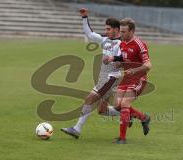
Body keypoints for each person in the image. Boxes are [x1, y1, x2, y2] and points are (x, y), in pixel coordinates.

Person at [61, 8, 121, 139]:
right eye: (105, 29)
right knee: (102, 110)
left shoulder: (121, 44)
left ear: (116, 29)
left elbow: (123, 61)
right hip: (103, 78)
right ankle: (126, 114)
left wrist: (115, 61)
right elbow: (89, 34)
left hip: (111, 78)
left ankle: (76, 129)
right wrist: (84, 17)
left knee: (89, 99)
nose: (106, 32)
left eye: (108, 29)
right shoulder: (104, 40)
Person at [104, 18, 152, 144]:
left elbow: (148, 65)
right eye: (121, 31)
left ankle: (122, 138)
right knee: (119, 106)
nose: (121, 34)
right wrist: (113, 59)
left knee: (125, 104)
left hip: (138, 78)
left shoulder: (139, 44)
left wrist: (135, 71)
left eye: (124, 32)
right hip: (126, 78)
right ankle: (143, 117)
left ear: (132, 31)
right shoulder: (122, 43)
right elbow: (124, 58)